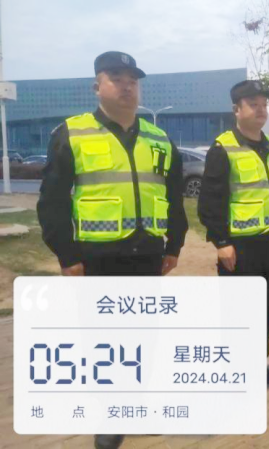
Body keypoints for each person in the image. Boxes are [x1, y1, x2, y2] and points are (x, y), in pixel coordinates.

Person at [37, 51, 188, 449]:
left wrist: (174, 244)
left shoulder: (159, 138)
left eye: (132, 80)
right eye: (116, 78)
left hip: (148, 256)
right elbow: (51, 203)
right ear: (97, 86)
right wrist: (68, 256)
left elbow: (173, 195)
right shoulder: (73, 133)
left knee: (145, 336)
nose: (126, 86)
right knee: (103, 341)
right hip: (97, 258)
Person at [198, 80, 269, 386]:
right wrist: (221, 242)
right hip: (240, 248)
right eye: (253, 104)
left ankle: (255, 365)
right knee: (238, 314)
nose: (261, 110)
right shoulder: (223, 148)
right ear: (236, 110)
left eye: (263, 105)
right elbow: (210, 201)